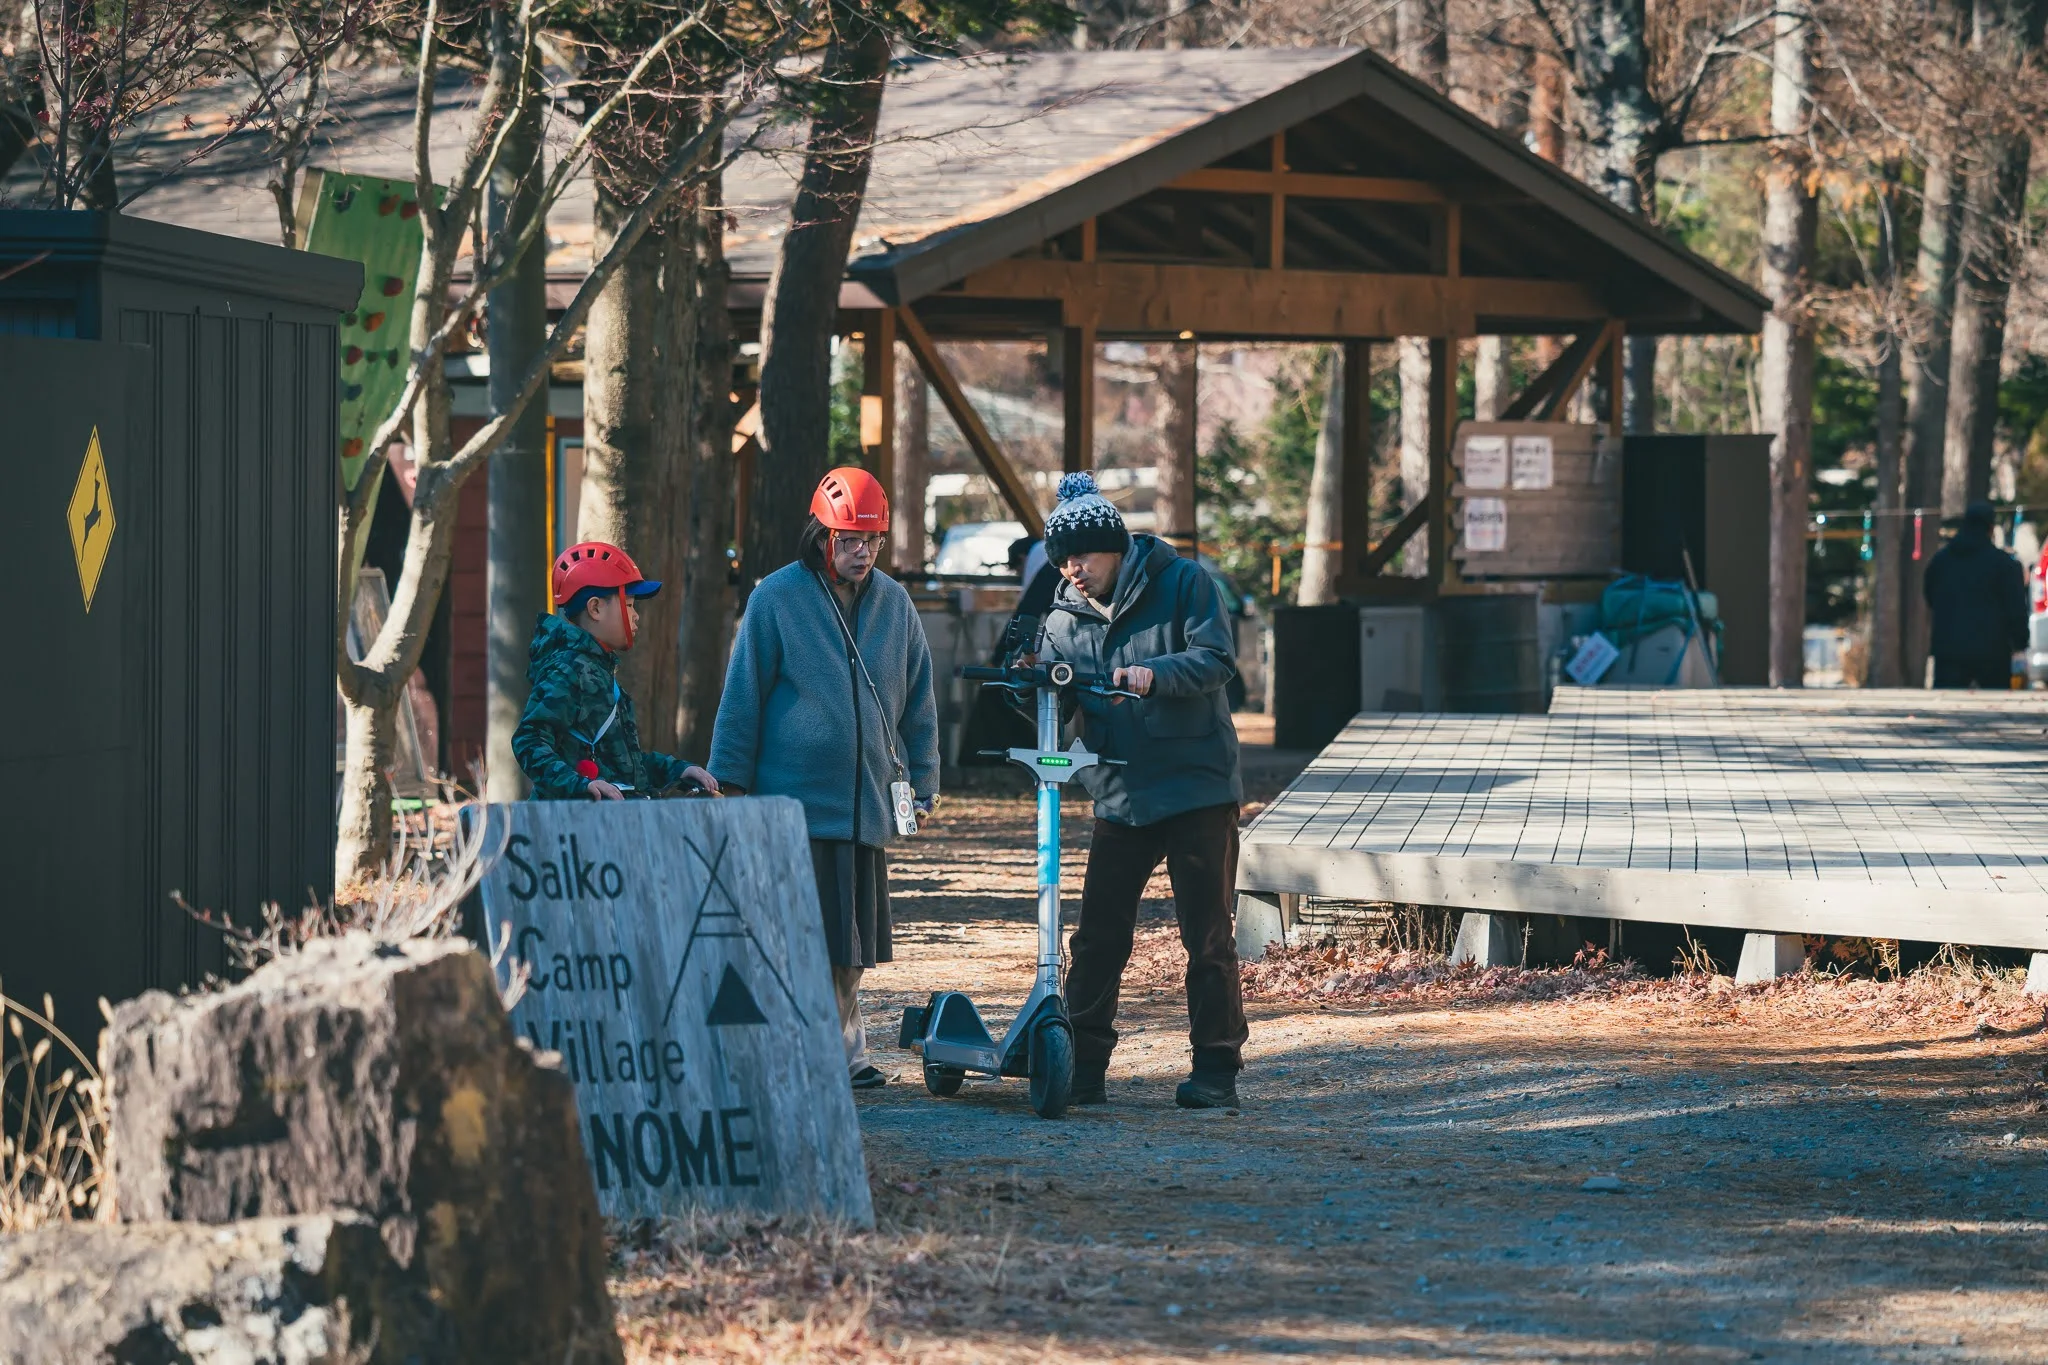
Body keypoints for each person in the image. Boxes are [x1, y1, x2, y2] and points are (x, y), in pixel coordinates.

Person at [710, 468, 940, 1089]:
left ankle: (843, 1052)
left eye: (871, 540)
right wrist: (727, 782)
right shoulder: (777, 598)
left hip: (865, 804)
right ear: (821, 535)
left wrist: (924, 779)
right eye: (848, 539)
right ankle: (815, 1055)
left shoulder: (895, 604)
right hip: (792, 803)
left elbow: (918, 699)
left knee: (852, 946)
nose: (861, 552)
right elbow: (743, 697)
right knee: (798, 939)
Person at [1034, 471, 1247, 1110]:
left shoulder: (1184, 583)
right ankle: (1083, 1066)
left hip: (1197, 790)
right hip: (1120, 796)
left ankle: (1216, 1069)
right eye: (1062, 560)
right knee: (1098, 937)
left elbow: (1216, 660)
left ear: (1116, 547)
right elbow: (1048, 706)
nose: (1073, 569)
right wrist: (1030, 690)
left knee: (1206, 936)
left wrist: (1152, 676)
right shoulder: (1060, 620)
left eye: (1083, 556)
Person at [513, 541, 719, 800]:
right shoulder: (567, 670)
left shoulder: (596, 670)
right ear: (595, 608)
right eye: (629, 604)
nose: (636, 616)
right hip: (573, 828)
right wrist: (580, 785)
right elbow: (528, 741)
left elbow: (622, 765)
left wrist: (679, 770)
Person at [1924, 499, 2028, 689]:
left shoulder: (1941, 561)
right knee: (1997, 709)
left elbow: (1930, 595)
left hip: (1949, 647)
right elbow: (2016, 606)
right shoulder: (2004, 564)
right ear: (1990, 528)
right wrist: (2020, 641)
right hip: (1993, 650)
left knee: (1945, 707)